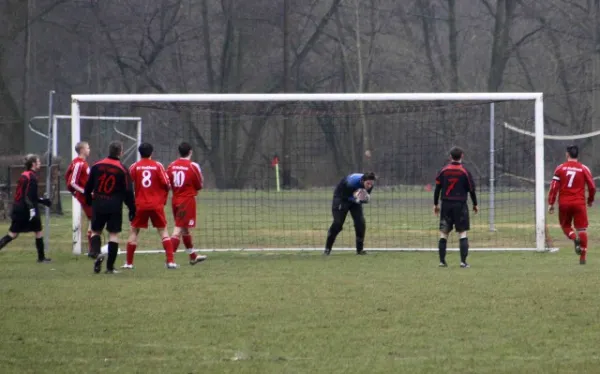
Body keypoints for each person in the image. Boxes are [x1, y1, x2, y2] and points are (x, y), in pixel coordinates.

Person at [123, 142, 178, 269]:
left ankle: (129, 263)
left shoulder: (134, 166)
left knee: (134, 231)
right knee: (163, 231)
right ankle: (170, 262)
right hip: (156, 205)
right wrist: (162, 197)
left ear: (139, 153)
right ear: (151, 153)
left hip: (140, 205)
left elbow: (126, 183)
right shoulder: (157, 166)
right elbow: (167, 183)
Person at [84, 141, 136, 274]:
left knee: (96, 231)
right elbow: (129, 192)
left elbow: (88, 186)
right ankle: (110, 267)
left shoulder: (96, 166)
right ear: (121, 152)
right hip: (114, 205)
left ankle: (96, 252)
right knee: (113, 234)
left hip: (98, 203)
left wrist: (89, 200)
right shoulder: (122, 169)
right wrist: (132, 209)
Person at [548, 145, 596, 265]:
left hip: (564, 203)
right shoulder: (584, 168)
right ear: (578, 155)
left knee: (565, 226)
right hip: (579, 204)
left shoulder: (560, 168)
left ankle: (574, 239)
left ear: (567, 155)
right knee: (582, 229)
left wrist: (551, 203)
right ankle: (583, 257)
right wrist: (590, 200)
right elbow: (592, 187)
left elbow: (554, 187)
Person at [0, 154, 52, 262]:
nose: (40, 163)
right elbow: (28, 196)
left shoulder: (25, 175)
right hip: (25, 210)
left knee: (14, 234)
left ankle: (41, 258)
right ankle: (41, 258)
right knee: (37, 231)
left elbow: (29, 195)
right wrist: (32, 210)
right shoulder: (32, 177)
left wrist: (42, 201)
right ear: (33, 164)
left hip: (19, 207)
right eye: (38, 162)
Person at [433, 147, 478, 268]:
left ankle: (442, 261)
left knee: (443, 234)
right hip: (460, 206)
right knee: (462, 233)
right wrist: (475, 204)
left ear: (450, 157)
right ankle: (463, 262)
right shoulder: (465, 172)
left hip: (446, 205)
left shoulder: (443, 170)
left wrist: (435, 204)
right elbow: (472, 190)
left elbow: (437, 188)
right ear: (462, 156)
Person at [166, 142, 207, 265]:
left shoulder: (172, 165)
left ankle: (193, 256)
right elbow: (199, 185)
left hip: (175, 199)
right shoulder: (193, 166)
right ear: (190, 152)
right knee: (178, 229)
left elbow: (167, 183)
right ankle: (169, 260)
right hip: (187, 200)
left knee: (185, 230)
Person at [324, 172, 376, 256]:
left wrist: (363, 198)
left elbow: (364, 197)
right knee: (338, 224)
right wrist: (356, 197)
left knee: (360, 223)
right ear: (363, 181)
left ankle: (360, 251)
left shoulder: (370, 185)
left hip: (353, 200)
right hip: (341, 198)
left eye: (371, 184)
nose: (369, 186)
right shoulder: (351, 182)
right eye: (368, 183)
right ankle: (327, 249)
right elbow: (346, 195)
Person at [64, 141, 94, 258]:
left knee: (93, 221)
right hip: (86, 197)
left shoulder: (83, 163)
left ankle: (93, 249)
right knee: (94, 220)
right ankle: (92, 250)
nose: (89, 150)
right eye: (87, 148)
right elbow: (71, 182)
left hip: (88, 195)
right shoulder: (78, 163)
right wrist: (82, 192)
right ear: (82, 150)